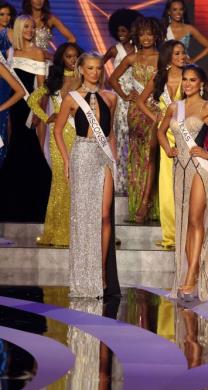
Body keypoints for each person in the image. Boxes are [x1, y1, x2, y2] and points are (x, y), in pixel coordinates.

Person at [157, 64, 208, 301]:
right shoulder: (174, 107)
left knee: (195, 220)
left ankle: (191, 274)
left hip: (199, 168)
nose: (188, 83)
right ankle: (189, 272)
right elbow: (160, 132)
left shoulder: (207, 107)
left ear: (201, 83)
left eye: (193, 80)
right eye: (186, 79)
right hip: (179, 169)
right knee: (185, 223)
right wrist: (168, 148)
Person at [53, 52, 120, 298]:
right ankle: (83, 275)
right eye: (90, 68)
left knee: (104, 216)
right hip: (82, 154)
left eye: (99, 68)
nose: (95, 72)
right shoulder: (71, 98)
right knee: (83, 217)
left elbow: (110, 134)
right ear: (81, 69)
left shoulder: (111, 98)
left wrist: (114, 160)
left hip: (103, 157)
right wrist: (66, 160)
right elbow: (58, 131)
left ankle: (101, 272)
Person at [108, 16, 162, 224]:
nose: (146, 38)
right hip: (135, 113)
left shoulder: (161, 57)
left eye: (149, 33)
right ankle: (138, 203)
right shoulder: (131, 58)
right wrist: (124, 94)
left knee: (153, 157)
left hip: (155, 111)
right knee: (137, 158)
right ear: (137, 36)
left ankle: (149, 203)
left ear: (156, 34)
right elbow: (112, 78)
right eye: (142, 34)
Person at [28, 42, 83, 246]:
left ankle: (76, 232)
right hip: (58, 136)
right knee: (60, 182)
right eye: (68, 56)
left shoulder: (84, 79)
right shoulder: (55, 80)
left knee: (77, 182)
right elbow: (32, 99)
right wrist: (46, 117)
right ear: (61, 58)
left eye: (75, 56)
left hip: (79, 135)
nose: (72, 60)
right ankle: (57, 232)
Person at [136, 39, 185, 249]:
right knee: (167, 186)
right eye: (177, 54)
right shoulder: (159, 78)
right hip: (166, 135)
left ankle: (186, 234)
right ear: (168, 57)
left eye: (183, 53)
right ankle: (171, 236)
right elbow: (140, 101)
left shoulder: (190, 77)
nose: (182, 57)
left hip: (186, 135)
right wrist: (155, 118)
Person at [0, 15, 50, 222]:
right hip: (14, 107)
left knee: (30, 148)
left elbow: (43, 87)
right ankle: (15, 203)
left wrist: (36, 111)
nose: (30, 30)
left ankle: (37, 202)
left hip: (30, 106)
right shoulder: (11, 53)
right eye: (26, 27)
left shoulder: (38, 52)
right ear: (19, 29)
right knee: (15, 149)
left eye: (32, 27)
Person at [103, 8, 142, 195]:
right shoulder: (114, 50)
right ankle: (120, 181)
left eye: (124, 31)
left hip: (137, 96)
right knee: (120, 137)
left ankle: (135, 179)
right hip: (120, 95)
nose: (121, 35)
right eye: (118, 31)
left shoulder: (138, 50)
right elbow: (98, 64)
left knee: (134, 137)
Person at [0, 1, 15, 167]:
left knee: (3, 118)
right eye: (1, 14)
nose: (5, 17)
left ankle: (3, 157)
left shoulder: (10, 33)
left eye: (8, 14)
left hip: (4, 81)